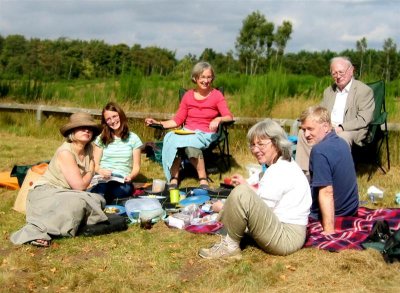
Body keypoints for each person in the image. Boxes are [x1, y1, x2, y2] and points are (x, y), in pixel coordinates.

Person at [198, 119, 311, 259]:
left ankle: (229, 247)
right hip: (288, 230)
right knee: (242, 193)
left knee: (242, 192)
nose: (255, 150)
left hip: (287, 237)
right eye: (252, 145)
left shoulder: (280, 170)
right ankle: (230, 240)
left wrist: (224, 208)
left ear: (276, 143)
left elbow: (262, 208)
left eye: (261, 144)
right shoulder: (281, 164)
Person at [10, 112, 108, 247]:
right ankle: (34, 231)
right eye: (82, 127)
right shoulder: (65, 153)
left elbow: (100, 150)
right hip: (46, 193)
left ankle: (64, 221)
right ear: (72, 132)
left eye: (90, 128)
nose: (87, 130)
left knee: (98, 200)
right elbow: (80, 186)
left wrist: (95, 163)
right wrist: (92, 168)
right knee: (79, 202)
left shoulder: (89, 148)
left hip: (67, 193)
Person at [145, 61, 233, 189]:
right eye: (202, 77)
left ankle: (202, 178)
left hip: (206, 133)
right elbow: (177, 120)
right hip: (187, 131)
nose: (206, 80)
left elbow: (228, 116)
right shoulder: (188, 96)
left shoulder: (217, 95)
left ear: (212, 78)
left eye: (209, 77)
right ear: (195, 78)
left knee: (187, 144)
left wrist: (218, 119)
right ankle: (174, 178)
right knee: (170, 138)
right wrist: (159, 123)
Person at [296, 56, 375, 176]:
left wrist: (340, 127)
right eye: (334, 73)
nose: (338, 76)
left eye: (341, 72)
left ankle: (339, 176)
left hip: (351, 129)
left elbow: (364, 119)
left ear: (351, 70)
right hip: (329, 126)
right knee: (304, 133)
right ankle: (307, 173)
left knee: (342, 138)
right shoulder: (329, 91)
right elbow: (320, 111)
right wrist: (309, 121)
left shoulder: (364, 90)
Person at [299, 106, 359, 235]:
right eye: (303, 130)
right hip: (351, 208)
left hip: (336, 212)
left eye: (310, 129)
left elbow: (327, 192)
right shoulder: (342, 142)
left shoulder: (319, 151)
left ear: (326, 127)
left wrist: (329, 230)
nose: (306, 135)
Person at [89, 102, 143, 204]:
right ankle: (101, 198)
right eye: (108, 119)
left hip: (122, 179)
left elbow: (136, 166)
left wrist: (131, 176)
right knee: (102, 186)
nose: (113, 121)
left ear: (121, 115)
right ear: (105, 122)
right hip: (104, 177)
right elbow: (94, 164)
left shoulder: (133, 138)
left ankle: (100, 199)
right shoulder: (102, 138)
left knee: (123, 190)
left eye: (114, 116)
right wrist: (100, 171)